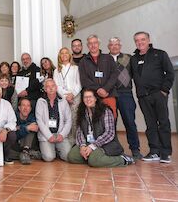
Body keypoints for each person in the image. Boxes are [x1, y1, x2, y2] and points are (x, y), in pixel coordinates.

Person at [130, 31, 175, 163]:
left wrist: (164, 90)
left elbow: (170, 73)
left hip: (158, 94)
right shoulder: (133, 59)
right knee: (150, 125)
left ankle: (165, 153)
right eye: (137, 40)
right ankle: (154, 151)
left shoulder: (160, 54)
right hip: (143, 97)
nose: (140, 42)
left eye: (143, 39)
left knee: (163, 123)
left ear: (148, 40)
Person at [67, 89, 134, 167]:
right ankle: (93, 158)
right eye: (85, 97)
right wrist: (82, 146)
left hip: (105, 143)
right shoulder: (82, 112)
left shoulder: (105, 111)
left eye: (90, 97)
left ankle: (122, 160)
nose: (88, 99)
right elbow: (80, 132)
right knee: (72, 156)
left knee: (94, 161)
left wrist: (93, 146)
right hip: (88, 143)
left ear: (95, 98)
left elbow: (109, 133)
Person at [108, 37, 142, 160]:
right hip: (109, 94)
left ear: (120, 46)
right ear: (108, 46)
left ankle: (135, 149)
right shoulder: (105, 59)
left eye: (117, 44)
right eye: (112, 45)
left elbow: (136, 75)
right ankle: (113, 149)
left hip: (125, 93)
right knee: (110, 123)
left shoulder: (129, 58)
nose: (114, 46)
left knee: (129, 122)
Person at [79, 35, 118, 118]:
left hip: (109, 94)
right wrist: (98, 90)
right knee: (94, 120)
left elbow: (114, 75)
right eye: (90, 43)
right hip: (92, 97)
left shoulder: (108, 58)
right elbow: (84, 80)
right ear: (87, 45)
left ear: (99, 44)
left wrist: (105, 89)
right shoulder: (83, 61)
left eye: (95, 43)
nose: (93, 45)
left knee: (111, 119)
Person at [36, 79, 72, 162]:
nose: (51, 88)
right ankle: (50, 150)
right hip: (46, 136)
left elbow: (68, 120)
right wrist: (49, 136)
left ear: (56, 87)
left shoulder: (63, 101)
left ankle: (56, 149)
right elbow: (39, 121)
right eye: (48, 87)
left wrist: (62, 135)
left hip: (60, 134)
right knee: (49, 157)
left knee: (68, 156)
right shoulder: (40, 101)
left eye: (53, 86)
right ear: (45, 89)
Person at [54, 47, 82, 143]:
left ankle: (75, 140)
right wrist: (65, 96)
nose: (64, 55)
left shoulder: (75, 68)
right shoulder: (56, 70)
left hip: (75, 96)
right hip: (63, 97)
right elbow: (56, 86)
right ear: (59, 56)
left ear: (70, 55)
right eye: (62, 53)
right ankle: (65, 141)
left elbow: (79, 83)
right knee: (65, 118)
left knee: (75, 119)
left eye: (66, 53)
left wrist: (72, 94)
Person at [10, 98, 40, 165]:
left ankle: (25, 152)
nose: (25, 108)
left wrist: (20, 127)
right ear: (19, 107)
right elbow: (15, 134)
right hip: (16, 144)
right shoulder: (13, 116)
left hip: (29, 144)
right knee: (7, 153)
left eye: (28, 106)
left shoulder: (33, 117)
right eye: (23, 105)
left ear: (30, 109)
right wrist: (27, 127)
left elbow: (35, 128)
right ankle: (27, 153)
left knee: (30, 132)